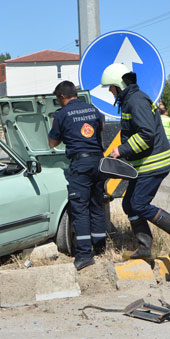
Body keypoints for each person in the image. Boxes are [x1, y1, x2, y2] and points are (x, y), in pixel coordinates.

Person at [100, 63, 170, 260]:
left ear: (119, 84)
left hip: (154, 164)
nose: (110, 90)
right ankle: (145, 248)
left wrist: (122, 150)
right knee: (129, 204)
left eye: (111, 86)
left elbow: (146, 134)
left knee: (139, 204)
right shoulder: (131, 100)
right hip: (144, 164)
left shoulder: (136, 101)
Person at [48, 80, 106, 270]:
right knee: (97, 204)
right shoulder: (92, 109)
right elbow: (102, 128)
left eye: (57, 99)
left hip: (80, 165)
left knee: (80, 209)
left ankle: (84, 254)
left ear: (62, 97)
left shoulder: (62, 114)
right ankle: (100, 247)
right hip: (99, 162)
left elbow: (52, 143)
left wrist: (59, 128)